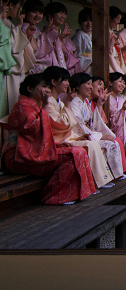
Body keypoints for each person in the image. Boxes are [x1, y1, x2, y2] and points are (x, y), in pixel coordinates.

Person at [0, 73, 96, 205]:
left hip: (33, 153)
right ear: (30, 89)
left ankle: (65, 194)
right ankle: (54, 196)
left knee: (77, 151)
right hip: (17, 157)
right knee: (75, 154)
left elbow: (44, 135)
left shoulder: (36, 106)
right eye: (43, 86)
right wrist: (45, 105)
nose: (47, 90)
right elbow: (36, 131)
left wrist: (57, 146)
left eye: (48, 87)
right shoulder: (22, 106)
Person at [43, 66, 115, 189]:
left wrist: (79, 136)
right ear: (54, 82)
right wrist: (67, 103)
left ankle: (100, 180)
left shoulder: (58, 102)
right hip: (59, 140)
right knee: (92, 144)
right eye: (64, 80)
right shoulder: (50, 102)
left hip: (69, 136)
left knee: (94, 143)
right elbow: (62, 124)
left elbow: (70, 123)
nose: (67, 83)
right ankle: (97, 181)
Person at [66, 72, 126, 181]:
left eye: (90, 84)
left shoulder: (84, 103)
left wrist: (99, 104)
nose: (90, 87)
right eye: (88, 84)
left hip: (89, 133)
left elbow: (93, 122)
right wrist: (100, 136)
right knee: (108, 144)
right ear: (78, 86)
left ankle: (115, 175)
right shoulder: (74, 103)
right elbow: (79, 126)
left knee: (114, 142)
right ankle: (102, 178)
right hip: (80, 136)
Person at [2, 0, 34, 111]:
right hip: (7, 68)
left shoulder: (8, 22)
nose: (19, 10)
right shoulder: (4, 22)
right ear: (10, 5)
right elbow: (10, 45)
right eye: (19, 7)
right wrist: (19, 27)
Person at [42, 2, 81, 74]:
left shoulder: (62, 32)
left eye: (64, 14)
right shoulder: (45, 33)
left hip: (67, 67)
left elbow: (71, 52)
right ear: (50, 14)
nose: (63, 16)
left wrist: (64, 39)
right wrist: (59, 39)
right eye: (60, 13)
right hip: (53, 67)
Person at [21, 0, 52, 75]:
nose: (38, 15)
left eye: (40, 13)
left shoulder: (35, 29)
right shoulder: (24, 28)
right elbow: (35, 51)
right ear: (25, 11)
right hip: (31, 66)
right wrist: (44, 33)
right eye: (34, 12)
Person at [71, 8, 93, 75]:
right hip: (87, 68)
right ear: (80, 22)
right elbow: (76, 57)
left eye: (91, 20)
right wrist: (90, 61)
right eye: (86, 21)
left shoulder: (94, 35)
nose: (89, 24)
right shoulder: (78, 36)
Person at [108, 6, 126, 74]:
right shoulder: (103, 33)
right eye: (117, 19)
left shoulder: (112, 33)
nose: (118, 22)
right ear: (110, 17)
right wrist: (112, 44)